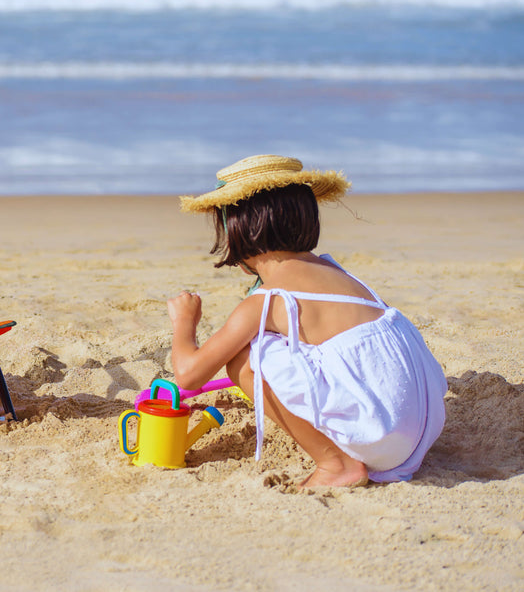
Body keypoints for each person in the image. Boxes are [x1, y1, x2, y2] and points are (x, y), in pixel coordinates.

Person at [166, 155, 447, 487]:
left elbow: (188, 375)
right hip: (421, 429)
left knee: (242, 359)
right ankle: (350, 453)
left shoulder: (267, 301)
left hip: (379, 434)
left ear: (240, 230)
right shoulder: (336, 272)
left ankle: (336, 464)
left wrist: (185, 322)